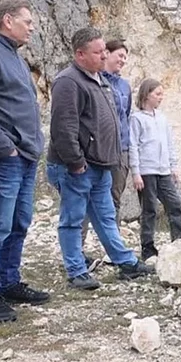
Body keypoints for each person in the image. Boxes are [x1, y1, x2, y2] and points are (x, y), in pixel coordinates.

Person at [45, 27, 154, 290]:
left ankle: (124, 262)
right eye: (98, 52)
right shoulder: (68, 81)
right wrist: (76, 162)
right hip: (77, 167)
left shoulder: (99, 79)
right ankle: (75, 270)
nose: (103, 56)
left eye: (105, 50)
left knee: (105, 217)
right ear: (80, 54)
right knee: (72, 219)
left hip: (101, 165)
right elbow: (63, 127)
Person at [0, 0, 51, 323]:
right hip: (5, 157)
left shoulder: (14, 56)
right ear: (7, 20)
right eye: (26, 21)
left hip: (26, 155)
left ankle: (9, 282)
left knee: (19, 223)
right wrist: (4, 145)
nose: (31, 27)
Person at [80, 37, 133, 269]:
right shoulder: (95, 80)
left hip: (121, 149)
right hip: (97, 151)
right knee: (84, 200)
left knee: (115, 200)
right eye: (119, 55)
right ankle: (77, 251)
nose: (122, 60)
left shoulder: (124, 86)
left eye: (125, 57)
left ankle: (115, 251)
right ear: (106, 54)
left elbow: (125, 116)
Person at [128, 78, 181, 260]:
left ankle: (179, 242)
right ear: (146, 95)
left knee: (175, 205)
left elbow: (169, 143)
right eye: (157, 94)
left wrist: (173, 165)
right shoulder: (136, 119)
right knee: (149, 209)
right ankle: (147, 247)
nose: (161, 97)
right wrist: (136, 172)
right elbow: (133, 146)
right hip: (146, 171)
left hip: (163, 171)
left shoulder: (162, 118)